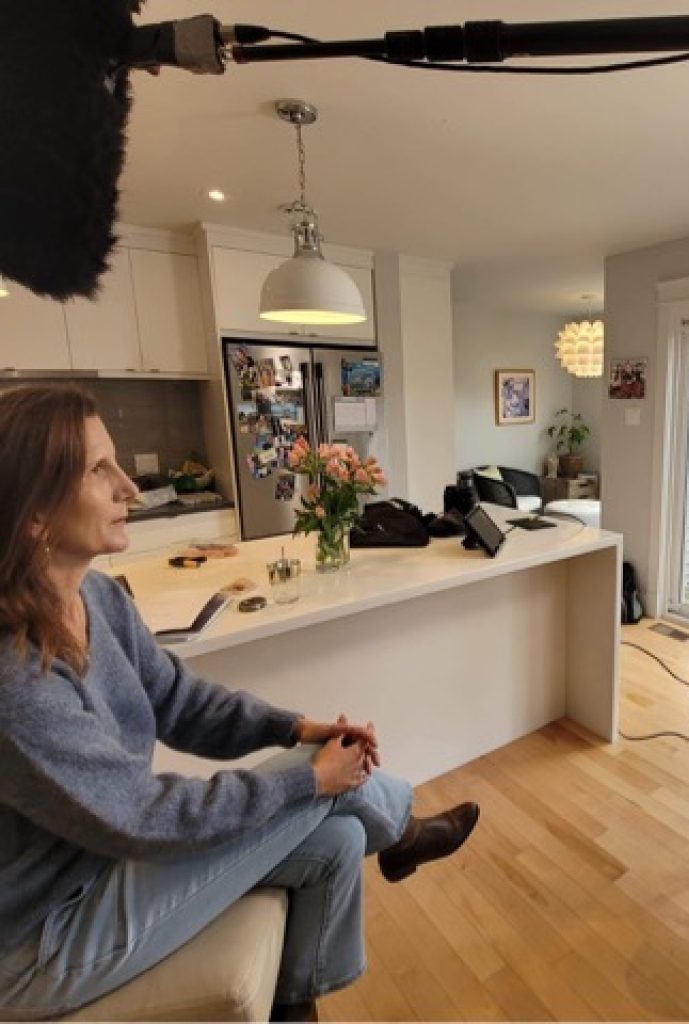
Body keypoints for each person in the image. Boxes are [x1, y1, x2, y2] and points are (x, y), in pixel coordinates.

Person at [0, 385, 480, 1021]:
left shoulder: (100, 600)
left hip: (110, 863)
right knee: (319, 788)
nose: (130, 488)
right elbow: (142, 815)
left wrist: (293, 729)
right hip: (47, 940)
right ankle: (402, 832)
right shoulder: (14, 680)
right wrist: (310, 775)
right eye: (99, 469)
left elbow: (179, 701)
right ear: (34, 514)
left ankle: (294, 1007)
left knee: (336, 842)